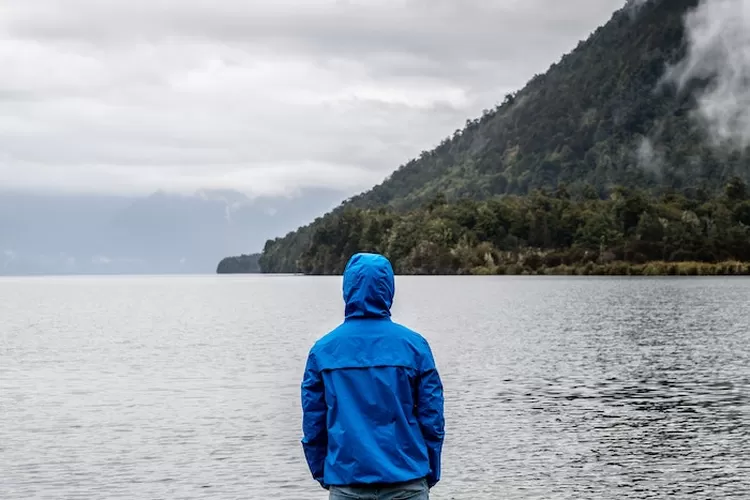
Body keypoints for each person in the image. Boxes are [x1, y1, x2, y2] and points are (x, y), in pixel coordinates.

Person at [301, 253, 445, 500]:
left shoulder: (323, 351)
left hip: (347, 484)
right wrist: (428, 470)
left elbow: (314, 425)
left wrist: (325, 473)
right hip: (407, 481)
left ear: (347, 288)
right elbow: (432, 419)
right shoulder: (414, 347)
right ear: (388, 288)